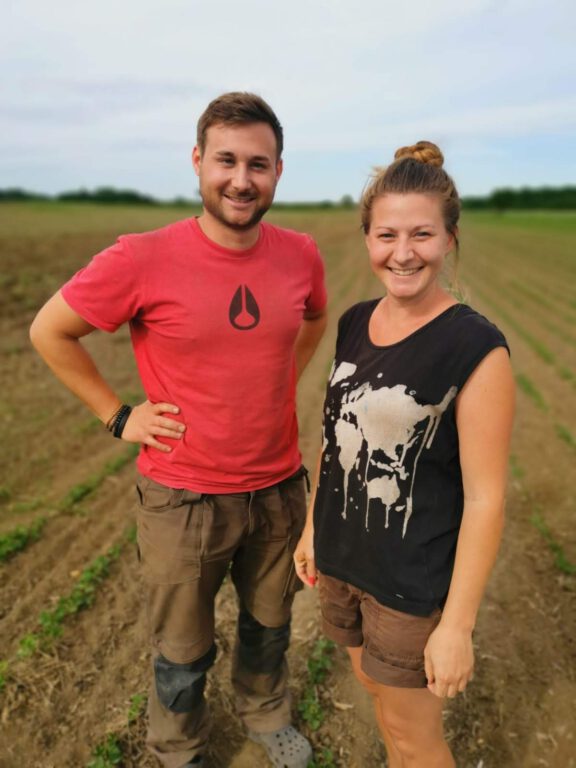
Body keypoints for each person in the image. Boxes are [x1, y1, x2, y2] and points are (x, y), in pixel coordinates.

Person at [30, 92, 327, 768]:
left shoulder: (301, 254)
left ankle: (265, 714)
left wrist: (284, 378)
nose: (241, 179)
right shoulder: (142, 257)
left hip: (279, 490)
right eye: (226, 160)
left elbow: (314, 317)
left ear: (278, 171)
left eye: (258, 164)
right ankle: (178, 747)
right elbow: (50, 330)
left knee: (270, 624)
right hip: (183, 499)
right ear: (197, 162)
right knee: (182, 648)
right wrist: (118, 416)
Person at [294, 141, 515, 767]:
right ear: (368, 238)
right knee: (375, 694)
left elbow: (486, 498)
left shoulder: (475, 348)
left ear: (449, 239)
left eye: (422, 234)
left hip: (410, 586)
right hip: (344, 562)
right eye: (387, 235)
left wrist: (457, 626)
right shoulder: (354, 322)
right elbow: (334, 436)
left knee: (414, 737)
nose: (403, 252)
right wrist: (312, 527)